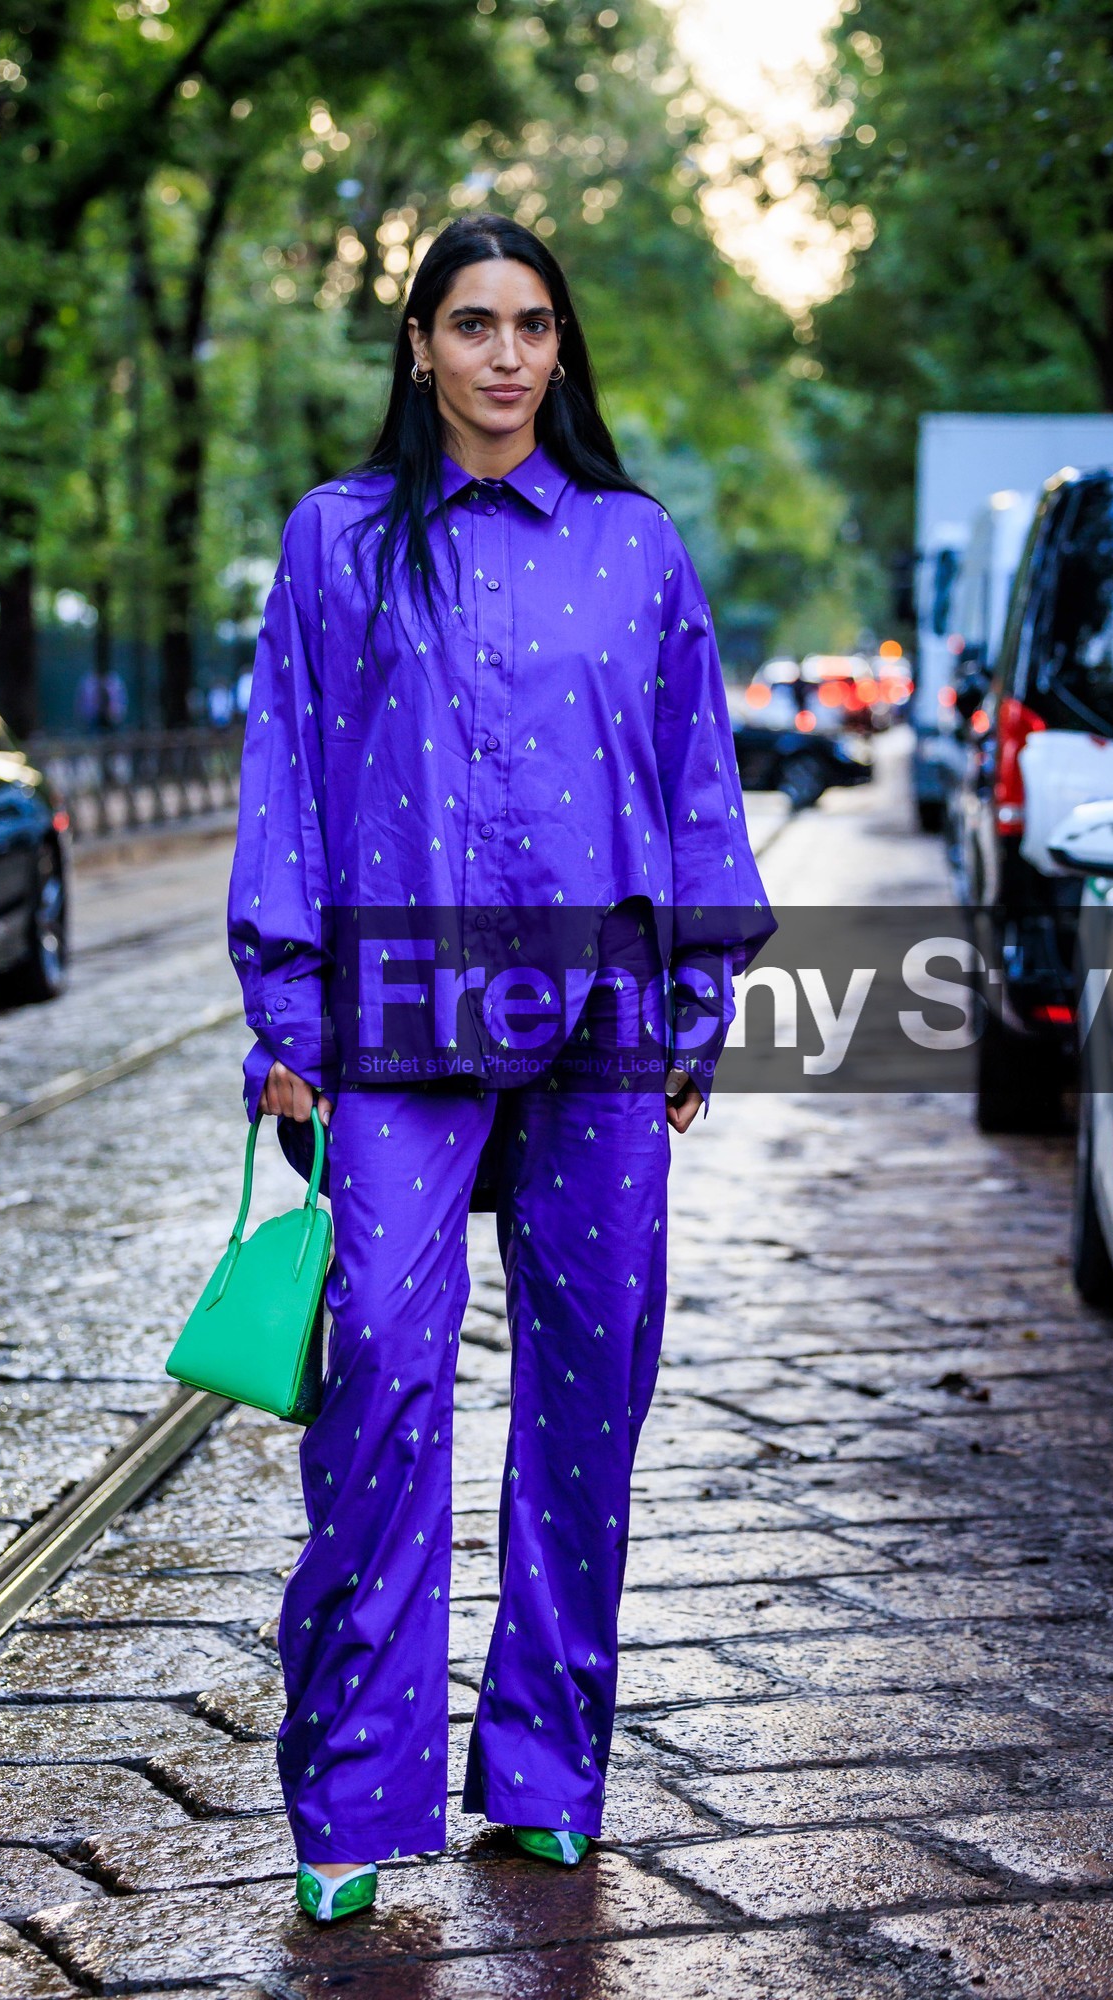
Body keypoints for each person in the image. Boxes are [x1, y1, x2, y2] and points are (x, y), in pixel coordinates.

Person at [226, 212, 772, 1926]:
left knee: (589, 1399)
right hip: (393, 1030)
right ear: (419, 347)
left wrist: (692, 1015)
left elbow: (693, 782)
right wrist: (289, 1016)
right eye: (473, 324)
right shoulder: (339, 542)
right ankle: (352, 1803)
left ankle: (545, 1775)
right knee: (381, 1375)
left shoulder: (636, 548)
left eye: (534, 324)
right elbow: (288, 775)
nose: (507, 355)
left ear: (562, 348)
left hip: (602, 1032)